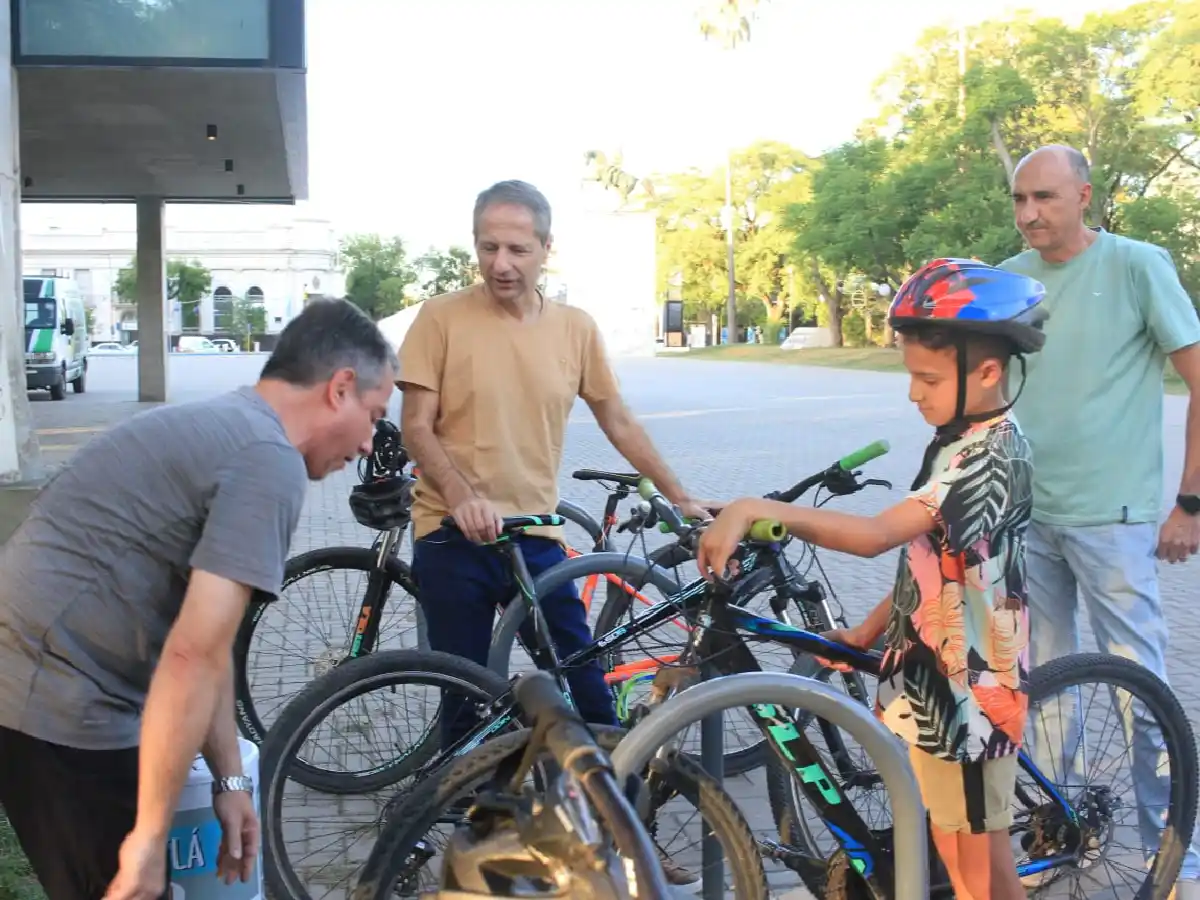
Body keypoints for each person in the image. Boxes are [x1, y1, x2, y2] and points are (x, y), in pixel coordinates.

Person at [0, 299, 398, 900]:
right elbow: (191, 658)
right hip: (56, 700)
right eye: (374, 415)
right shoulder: (269, 462)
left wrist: (230, 779)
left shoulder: (235, 428)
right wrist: (148, 838)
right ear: (340, 388)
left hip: (44, 680)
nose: (371, 443)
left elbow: (206, 645)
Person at [697, 258, 1048, 900]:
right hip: (936, 683)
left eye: (928, 378)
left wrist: (758, 506)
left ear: (989, 371)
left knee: (980, 877)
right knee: (960, 843)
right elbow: (935, 561)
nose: (914, 393)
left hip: (969, 696)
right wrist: (866, 629)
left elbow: (874, 537)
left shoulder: (987, 454)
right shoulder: (957, 436)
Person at [398, 179, 709, 742]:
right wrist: (463, 497)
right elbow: (416, 426)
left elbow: (618, 420)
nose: (501, 264)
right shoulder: (439, 320)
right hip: (450, 533)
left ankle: (609, 801)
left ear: (546, 248)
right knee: (466, 696)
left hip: (535, 534)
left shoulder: (575, 328)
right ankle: (464, 811)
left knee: (582, 676)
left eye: (518, 249)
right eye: (488, 247)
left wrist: (678, 494)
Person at [998, 144, 1200, 899]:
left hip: (1113, 521)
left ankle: (1175, 857)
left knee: (1140, 691)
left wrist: (1189, 501)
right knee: (1044, 693)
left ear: (1085, 195)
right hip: (1028, 517)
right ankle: (1067, 837)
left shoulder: (1137, 265)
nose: (1028, 215)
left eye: (1044, 197)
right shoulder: (1010, 281)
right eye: (1019, 200)